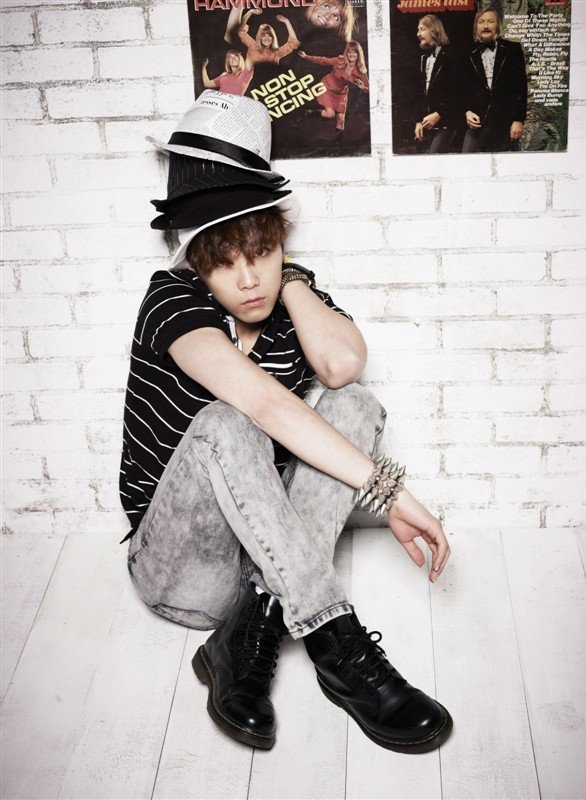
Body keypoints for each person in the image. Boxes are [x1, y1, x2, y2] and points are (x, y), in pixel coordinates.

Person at [122, 91, 453, 755]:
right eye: (226, 261)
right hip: (179, 569)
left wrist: (294, 281)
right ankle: (340, 647)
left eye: (262, 252)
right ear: (197, 263)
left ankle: (246, 636)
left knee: (355, 403)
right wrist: (390, 494)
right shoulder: (173, 300)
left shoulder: (290, 298)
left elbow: (342, 365)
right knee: (230, 419)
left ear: (282, 246)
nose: (249, 280)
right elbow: (266, 405)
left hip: (264, 562)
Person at [462, 7, 527, 153]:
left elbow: (521, 88)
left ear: (497, 26)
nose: (486, 25)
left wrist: (518, 120)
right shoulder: (467, 53)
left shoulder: (513, 49)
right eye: (481, 22)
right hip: (477, 124)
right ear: (476, 27)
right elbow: (462, 89)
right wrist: (467, 112)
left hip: (505, 125)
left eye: (490, 21)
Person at [299, 40, 369, 142]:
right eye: (349, 51)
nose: (351, 54)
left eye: (354, 52)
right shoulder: (339, 60)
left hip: (341, 92)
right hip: (328, 86)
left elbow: (369, 90)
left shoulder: (361, 70)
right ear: (346, 53)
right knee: (330, 114)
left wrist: (363, 88)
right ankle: (312, 112)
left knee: (341, 119)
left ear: (359, 54)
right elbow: (323, 60)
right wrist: (306, 56)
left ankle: (338, 145)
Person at [413, 14, 462, 154]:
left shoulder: (452, 57)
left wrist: (439, 114)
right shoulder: (423, 59)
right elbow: (420, 95)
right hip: (428, 126)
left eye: (422, 29)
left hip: (448, 124)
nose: (418, 34)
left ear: (434, 30)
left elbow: (458, 93)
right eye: (418, 30)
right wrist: (418, 121)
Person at [224, 8, 300, 67]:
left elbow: (293, 43)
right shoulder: (253, 46)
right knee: (230, 35)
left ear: (273, 38)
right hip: (250, 80)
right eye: (263, 35)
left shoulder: (276, 53)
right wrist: (250, 12)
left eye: (269, 35)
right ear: (259, 37)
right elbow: (240, 31)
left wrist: (287, 22)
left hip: (269, 81)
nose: (267, 38)